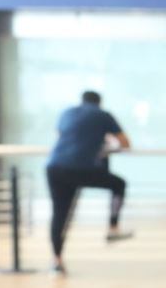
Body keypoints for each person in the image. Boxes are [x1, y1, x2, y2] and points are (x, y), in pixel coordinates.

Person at [46, 89, 134, 273]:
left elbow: (61, 135)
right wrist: (107, 142)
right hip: (80, 169)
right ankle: (113, 227)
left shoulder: (67, 112)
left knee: (59, 214)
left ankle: (57, 261)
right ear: (99, 102)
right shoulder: (102, 115)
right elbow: (125, 143)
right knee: (119, 184)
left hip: (54, 167)